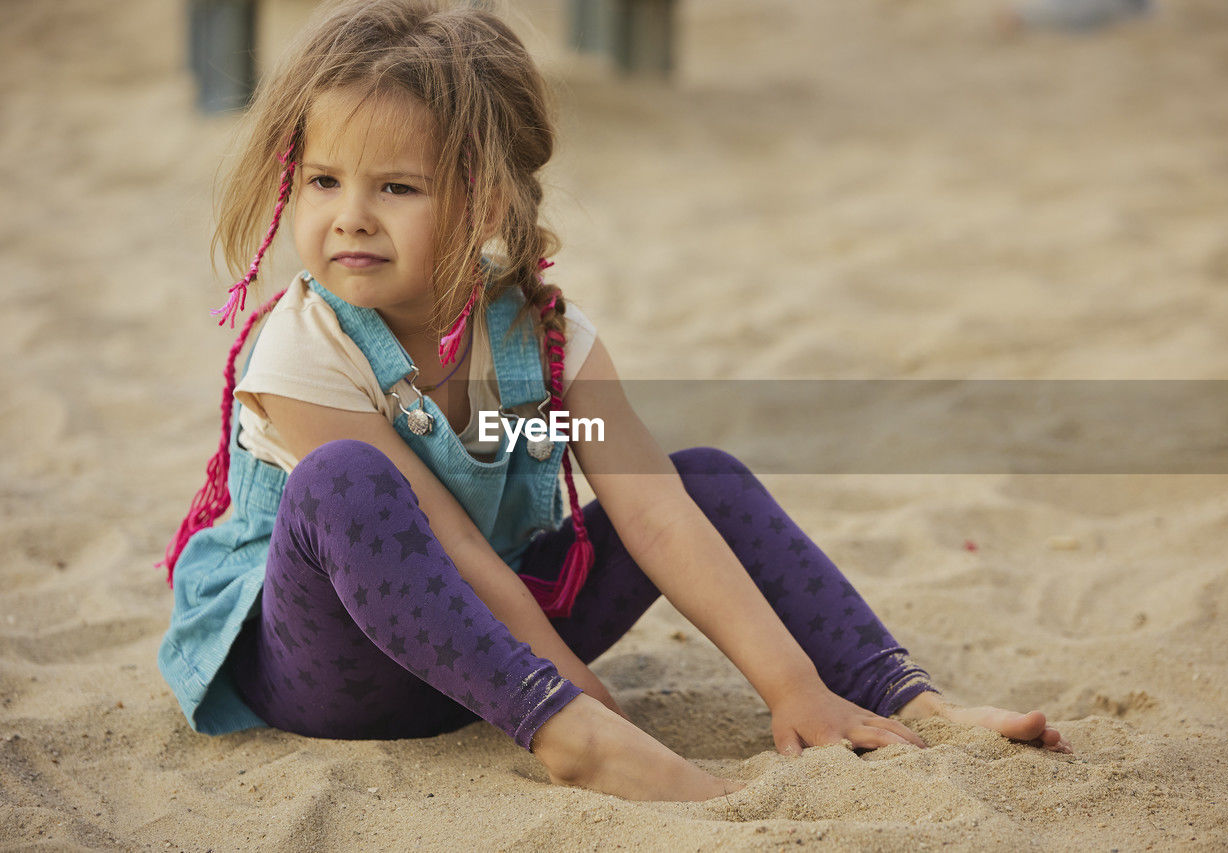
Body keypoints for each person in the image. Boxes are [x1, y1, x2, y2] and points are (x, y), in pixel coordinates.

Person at [158, 0, 1071, 803]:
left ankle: (897, 694)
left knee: (699, 480)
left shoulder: (548, 348)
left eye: (395, 186)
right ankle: (567, 739)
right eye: (324, 180)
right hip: (336, 674)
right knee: (345, 482)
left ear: (485, 202)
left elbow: (654, 515)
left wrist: (788, 685)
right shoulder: (301, 352)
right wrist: (569, 693)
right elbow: (451, 544)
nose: (349, 215)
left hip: (487, 651)